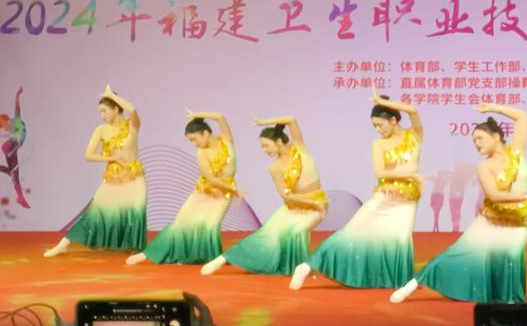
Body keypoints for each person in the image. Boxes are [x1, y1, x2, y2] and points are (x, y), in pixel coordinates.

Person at [390, 102, 527, 304]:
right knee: (455, 254)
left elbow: (522, 117)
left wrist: (494, 108)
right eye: (473, 140)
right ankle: (412, 284)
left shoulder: (516, 152)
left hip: (519, 221)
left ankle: (509, 301)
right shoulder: (484, 166)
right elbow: (494, 195)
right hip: (491, 220)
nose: (476, 143)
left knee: (511, 255)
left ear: (496, 136)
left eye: (479, 138)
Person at [290, 91, 423, 290]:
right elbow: (379, 172)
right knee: (352, 233)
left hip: (407, 200)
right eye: (374, 126)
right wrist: (412, 174)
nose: (378, 129)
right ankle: (308, 266)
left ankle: (395, 280)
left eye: (380, 125)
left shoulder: (414, 135)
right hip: (385, 196)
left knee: (400, 238)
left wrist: (381, 101)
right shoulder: (379, 144)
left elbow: (412, 110)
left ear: (394, 120)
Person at [201, 116, 327, 275]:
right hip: (294, 206)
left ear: (279, 141)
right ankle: (224, 259)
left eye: (266, 146)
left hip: (317, 207)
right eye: (262, 148)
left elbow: (292, 120)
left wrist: (264, 123)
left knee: (295, 231)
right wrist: (310, 203)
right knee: (266, 234)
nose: (265, 151)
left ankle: (299, 267)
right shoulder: (275, 167)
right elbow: (286, 197)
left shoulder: (300, 149)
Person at [126, 110, 242, 265]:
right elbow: (210, 179)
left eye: (194, 139)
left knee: (211, 225)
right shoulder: (201, 153)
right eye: (190, 141)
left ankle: (210, 258)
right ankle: (148, 254)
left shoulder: (226, 140)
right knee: (181, 223)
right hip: (203, 193)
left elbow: (220, 117)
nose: (194, 143)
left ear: (205, 133)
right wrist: (234, 190)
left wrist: (198, 114)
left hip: (222, 196)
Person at [44, 85, 146, 257]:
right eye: (100, 112)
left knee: (136, 211)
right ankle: (63, 244)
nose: (102, 115)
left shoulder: (132, 125)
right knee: (94, 212)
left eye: (104, 111)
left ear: (116, 109)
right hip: (113, 179)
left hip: (135, 178)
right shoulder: (101, 130)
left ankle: (134, 248)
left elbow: (133, 109)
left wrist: (111, 96)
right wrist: (111, 158)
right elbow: (88, 155)